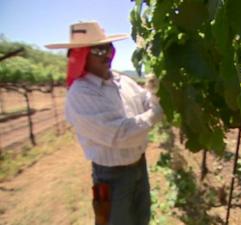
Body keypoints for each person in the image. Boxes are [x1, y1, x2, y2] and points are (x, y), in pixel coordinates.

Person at [46, 21, 163, 225]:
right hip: (112, 177)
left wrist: (155, 92)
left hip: (139, 167)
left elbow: (145, 101)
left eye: (108, 47)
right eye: (99, 49)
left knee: (142, 218)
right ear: (81, 55)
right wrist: (156, 113)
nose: (108, 54)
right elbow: (119, 134)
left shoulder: (122, 80)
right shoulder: (81, 94)